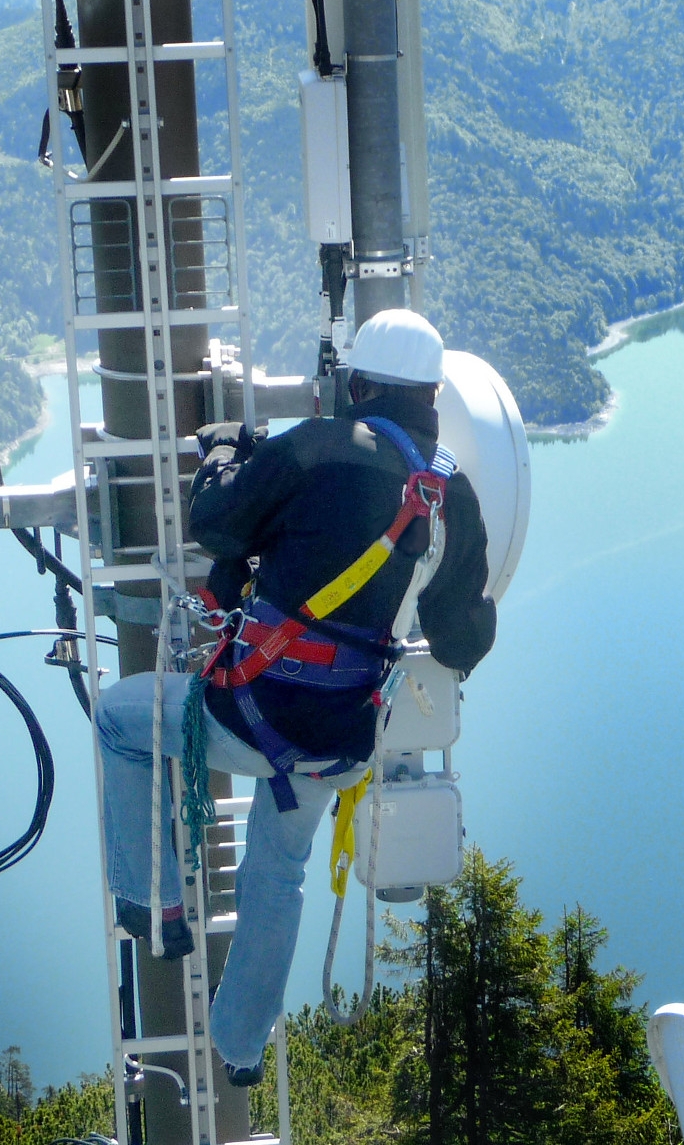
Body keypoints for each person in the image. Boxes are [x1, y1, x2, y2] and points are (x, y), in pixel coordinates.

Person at [93, 308, 498, 1086]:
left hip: (252, 710)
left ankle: (153, 904)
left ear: (358, 382)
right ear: (432, 394)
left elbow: (217, 521)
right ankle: (242, 1049)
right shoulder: (451, 492)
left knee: (120, 722)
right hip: (340, 739)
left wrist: (218, 453)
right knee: (278, 870)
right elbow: (461, 642)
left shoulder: (316, 447)